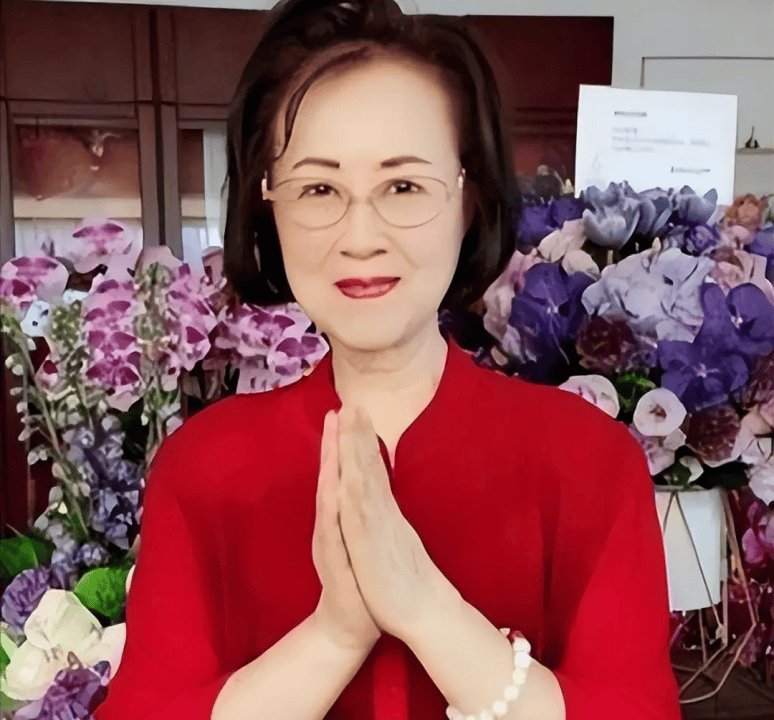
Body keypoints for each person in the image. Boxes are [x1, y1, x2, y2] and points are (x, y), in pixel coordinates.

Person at [93, 1, 682, 718]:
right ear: (267, 204)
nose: (360, 236)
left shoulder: (589, 461)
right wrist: (335, 634)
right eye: (318, 189)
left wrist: (426, 607)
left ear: (469, 198)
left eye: (403, 186)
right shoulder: (203, 468)